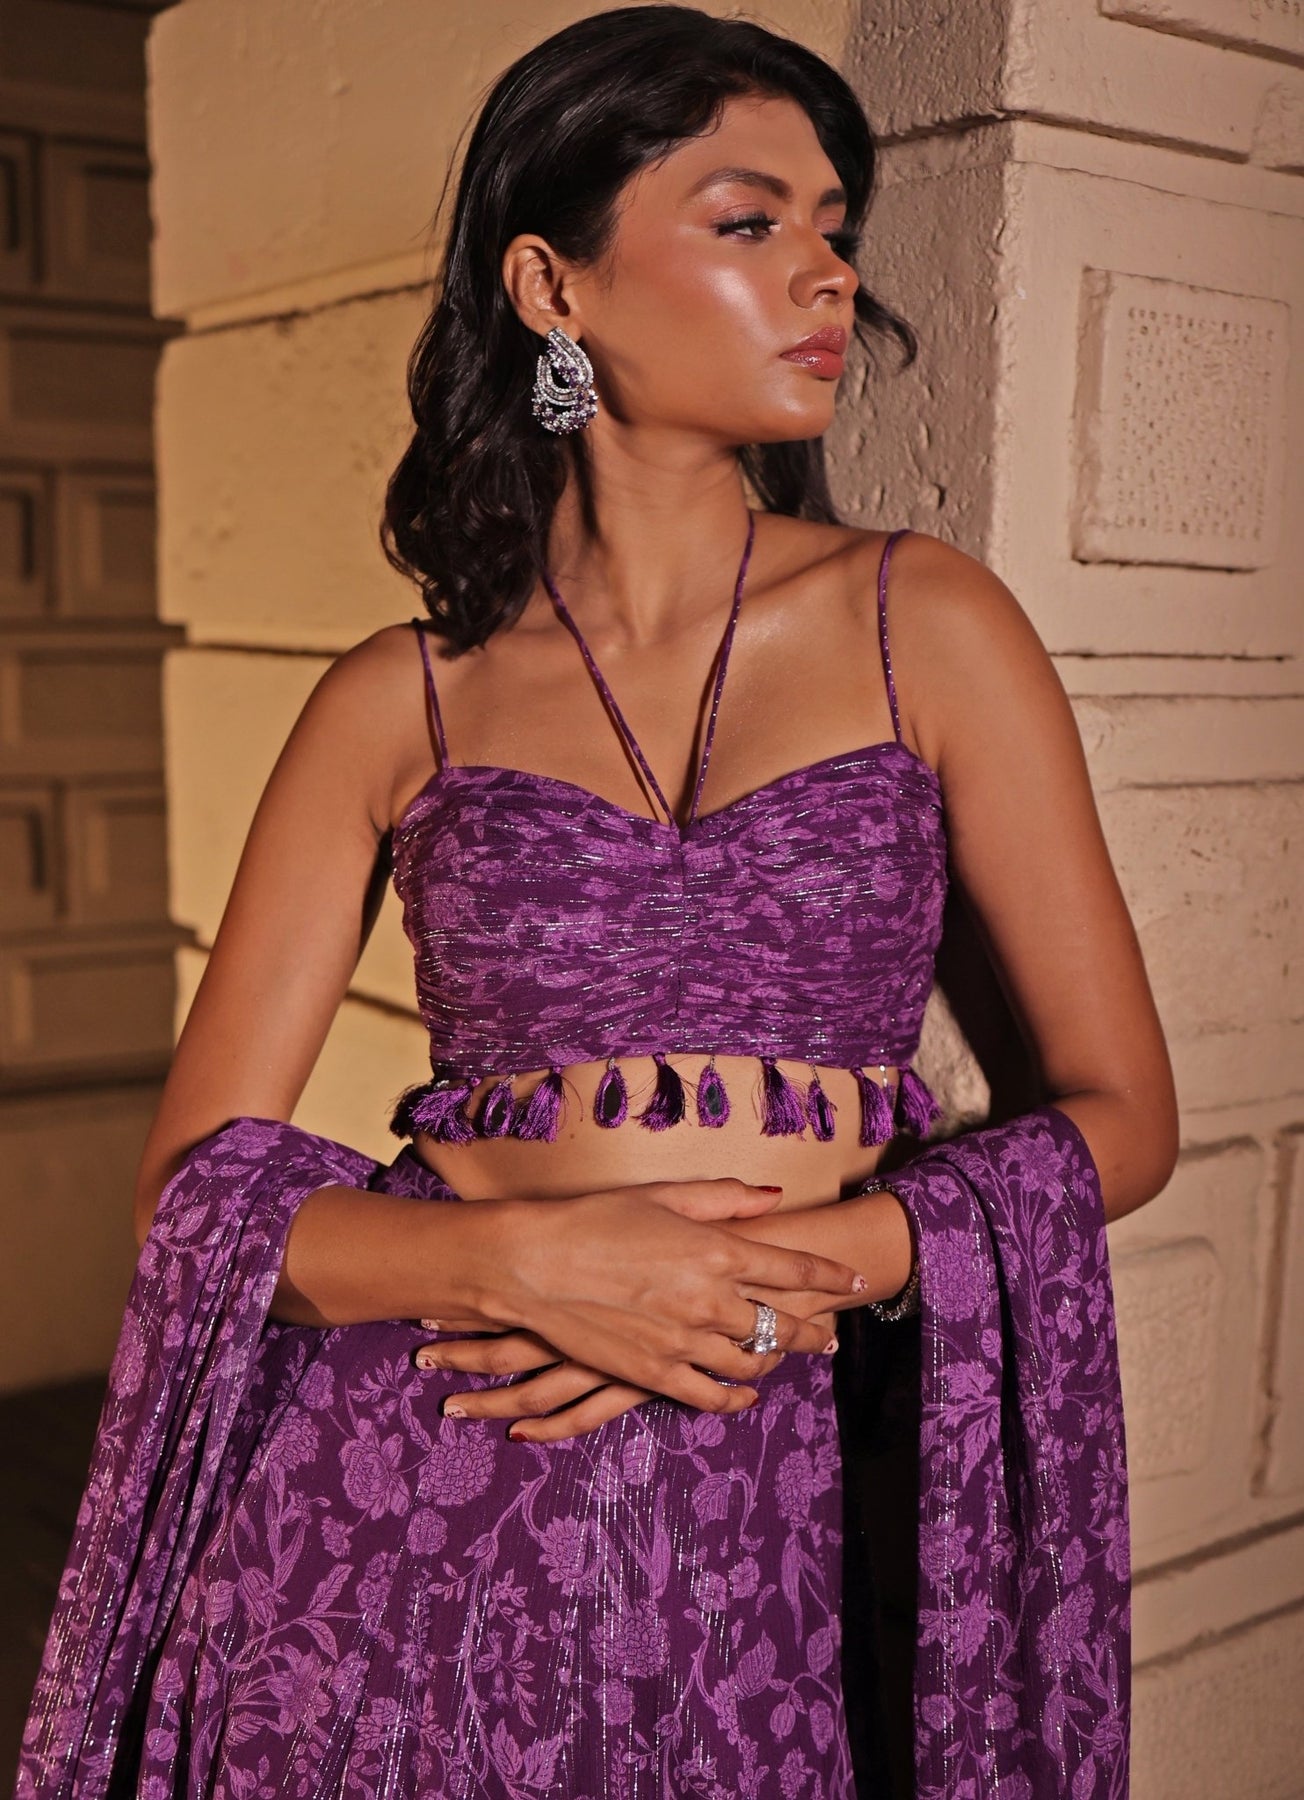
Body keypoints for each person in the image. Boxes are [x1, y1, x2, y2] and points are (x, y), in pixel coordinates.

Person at [16, 8, 1178, 1799]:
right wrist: (531, 1263)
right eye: (749, 221)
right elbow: (197, 1195)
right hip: (419, 1494)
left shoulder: (925, 624)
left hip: (793, 1474)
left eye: (835, 228)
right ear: (552, 287)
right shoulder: (399, 700)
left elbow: (1124, 1115)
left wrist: (768, 1286)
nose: (828, 275)